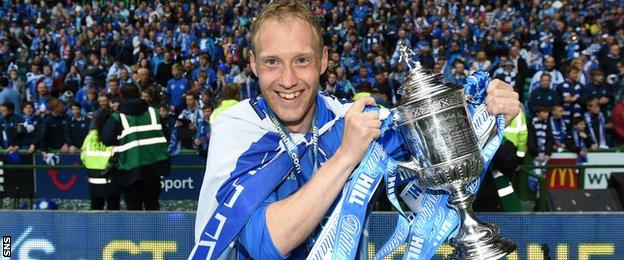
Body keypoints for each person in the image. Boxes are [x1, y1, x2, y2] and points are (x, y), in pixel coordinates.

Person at [192, 1, 520, 259]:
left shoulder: (347, 118)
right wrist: (346, 157)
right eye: (272, 62)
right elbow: (264, 243)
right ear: (252, 64)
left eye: (302, 61)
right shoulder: (237, 128)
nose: (288, 80)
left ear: (323, 61)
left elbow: (433, 173)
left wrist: (483, 116)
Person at [100, 85, 170, 210]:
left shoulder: (118, 117)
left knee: (133, 209)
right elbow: (166, 135)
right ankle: (154, 230)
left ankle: (137, 230)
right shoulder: (154, 113)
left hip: (130, 170)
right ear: (139, 94)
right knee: (153, 205)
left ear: (121, 97)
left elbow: (106, 140)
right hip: (154, 169)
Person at [80, 109, 120, 210]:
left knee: (96, 208)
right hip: (110, 177)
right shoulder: (115, 135)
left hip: (93, 178)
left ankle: (96, 226)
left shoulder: (90, 135)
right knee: (113, 209)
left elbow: (83, 156)